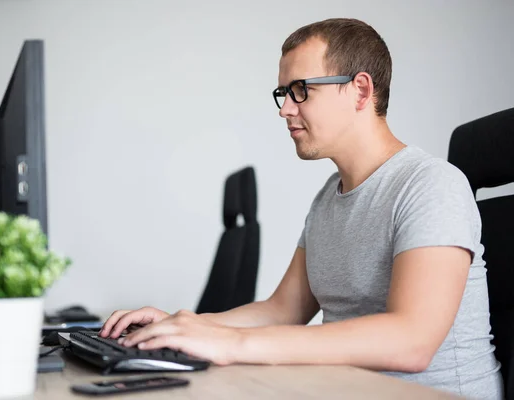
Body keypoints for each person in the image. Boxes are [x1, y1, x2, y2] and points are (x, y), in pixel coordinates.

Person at [99, 18, 504, 399]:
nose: (285, 109)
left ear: (361, 90)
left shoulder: (431, 184)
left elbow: (411, 341)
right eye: (283, 93)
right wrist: (182, 325)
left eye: (301, 90)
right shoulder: (329, 196)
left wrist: (232, 343)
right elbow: (283, 310)